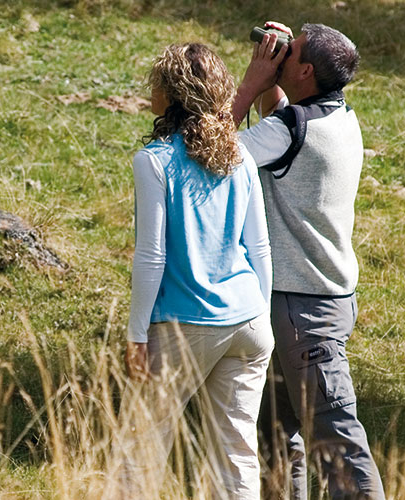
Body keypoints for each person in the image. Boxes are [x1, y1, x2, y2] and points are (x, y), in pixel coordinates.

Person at [230, 22, 387, 500]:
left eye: (289, 50)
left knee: (338, 444)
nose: (279, 53)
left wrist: (252, 82)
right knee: (278, 437)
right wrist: (274, 86)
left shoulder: (289, 129)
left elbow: (210, 151)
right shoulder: (338, 118)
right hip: (322, 303)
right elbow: (287, 125)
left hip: (302, 314)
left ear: (303, 70)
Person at [119, 42, 273, 499]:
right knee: (237, 454)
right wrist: (260, 314)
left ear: (170, 93)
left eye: (156, 83)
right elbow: (259, 248)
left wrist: (137, 334)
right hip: (248, 322)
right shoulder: (239, 156)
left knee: (140, 451)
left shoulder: (155, 161)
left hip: (185, 325)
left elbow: (152, 255)